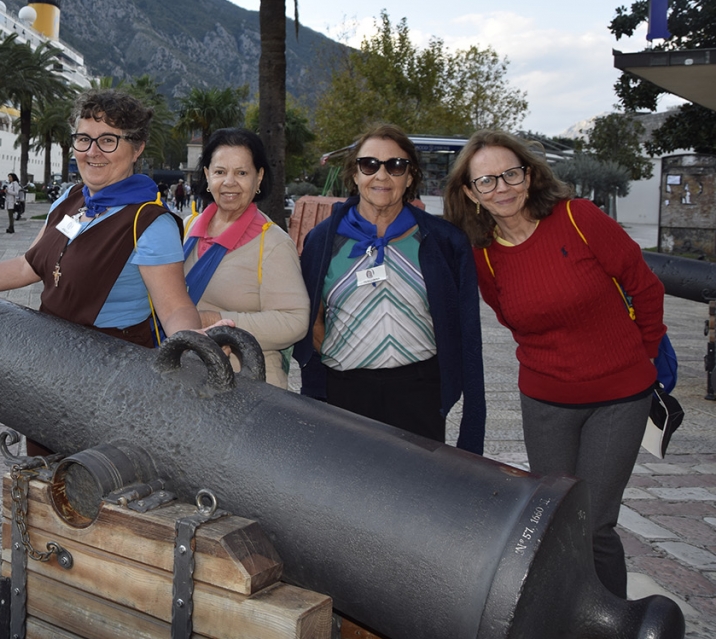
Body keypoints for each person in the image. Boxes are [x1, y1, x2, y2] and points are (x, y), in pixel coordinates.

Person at [443, 129, 665, 598]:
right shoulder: (484, 254)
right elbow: (506, 314)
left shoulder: (578, 218)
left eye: (510, 174)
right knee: (556, 520)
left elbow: (644, 286)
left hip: (618, 397)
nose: (501, 188)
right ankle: (565, 614)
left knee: (595, 522)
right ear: (471, 193)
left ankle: (611, 618)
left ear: (529, 175)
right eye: (486, 181)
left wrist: (643, 353)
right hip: (546, 402)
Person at [0, 89, 204, 348]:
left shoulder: (150, 222)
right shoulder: (71, 198)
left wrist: (193, 346)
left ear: (137, 148)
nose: (92, 152)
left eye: (108, 140)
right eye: (83, 139)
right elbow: (27, 265)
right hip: (50, 352)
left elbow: (175, 309)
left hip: (109, 367)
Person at [292, 123, 486, 454]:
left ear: (410, 177)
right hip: (344, 394)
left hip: (420, 394)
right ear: (355, 174)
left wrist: (472, 426)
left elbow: (466, 332)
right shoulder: (322, 241)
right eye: (369, 164)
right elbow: (310, 318)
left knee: (418, 484)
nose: (381, 175)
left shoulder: (444, 241)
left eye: (396, 165)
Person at [183, 128, 310, 388]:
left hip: (246, 386)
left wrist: (215, 321)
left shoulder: (272, 243)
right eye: (220, 172)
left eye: (241, 173)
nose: (229, 182)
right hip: (191, 378)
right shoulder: (188, 227)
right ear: (207, 174)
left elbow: (294, 321)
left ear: (258, 177)